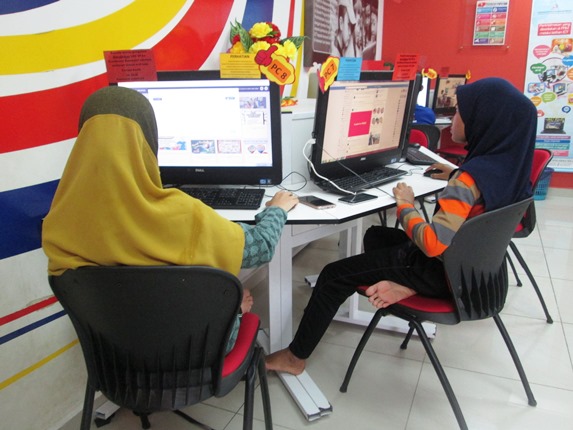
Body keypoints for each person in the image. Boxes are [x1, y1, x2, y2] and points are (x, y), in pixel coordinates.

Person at [265, 77, 536, 375]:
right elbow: (482, 197)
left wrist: (406, 205)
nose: (452, 120)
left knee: (332, 275)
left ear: (483, 121)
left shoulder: (467, 182)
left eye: (460, 112)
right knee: (377, 236)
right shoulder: (510, 169)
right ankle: (405, 285)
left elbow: (432, 244)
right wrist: (456, 174)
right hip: (476, 276)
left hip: (443, 272)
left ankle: (294, 357)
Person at [42, 86, 299, 351]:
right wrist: (277, 208)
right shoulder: (183, 216)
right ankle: (237, 313)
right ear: (148, 141)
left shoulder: (58, 225)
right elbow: (261, 247)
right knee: (235, 297)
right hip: (197, 352)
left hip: (116, 357)